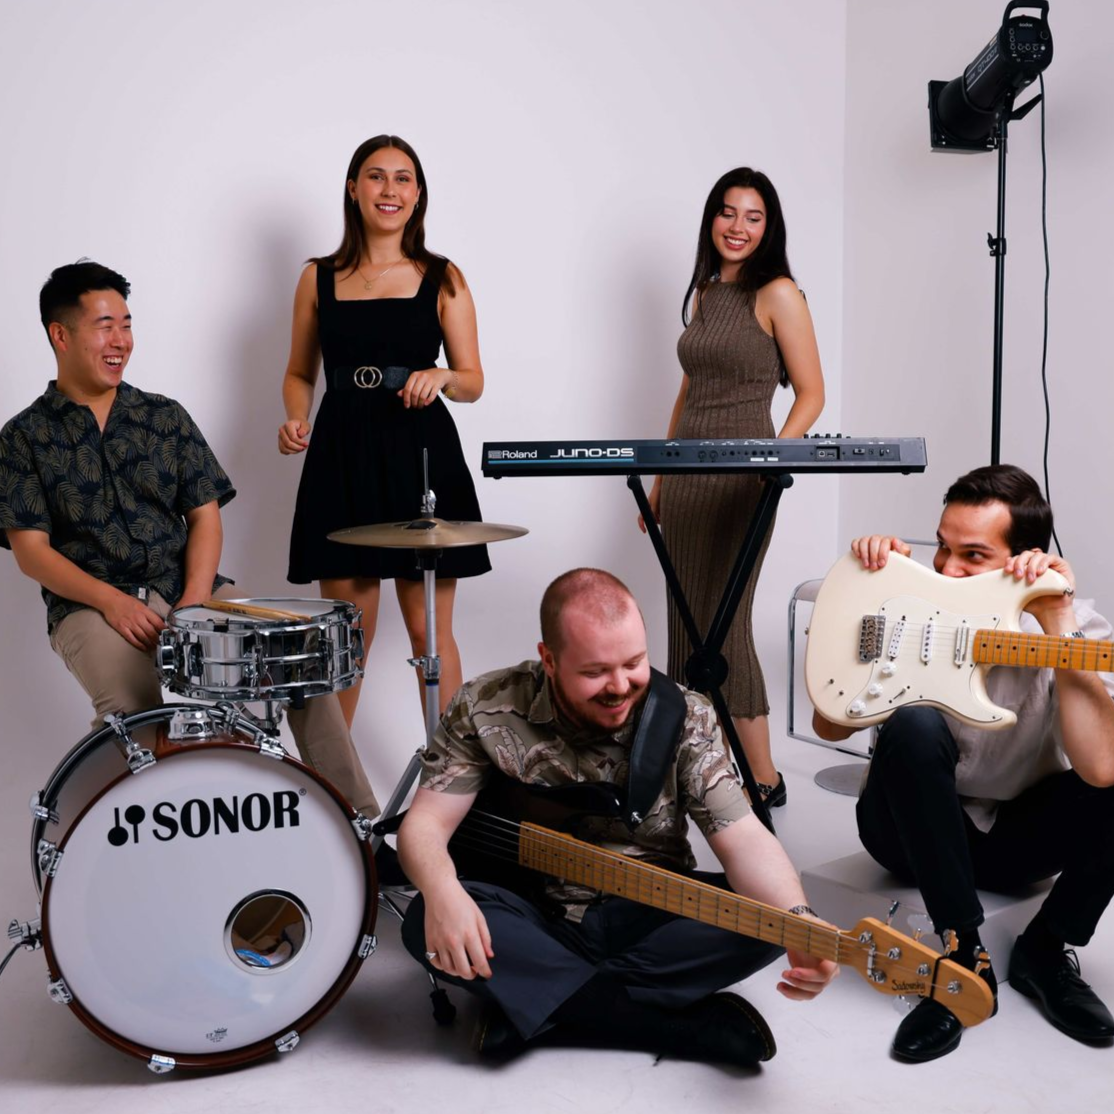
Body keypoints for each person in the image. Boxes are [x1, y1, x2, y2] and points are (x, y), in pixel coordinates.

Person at [397, 568, 837, 1067]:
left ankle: (543, 1004)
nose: (620, 686)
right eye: (595, 672)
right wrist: (444, 894)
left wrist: (800, 924)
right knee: (422, 921)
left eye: (634, 663)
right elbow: (424, 824)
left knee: (772, 917)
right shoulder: (484, 706)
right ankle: (678, 1029)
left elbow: (744, 839)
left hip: (651, 910)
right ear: (548, 659)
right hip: (537, 913)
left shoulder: (687, 716)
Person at [0, 261, 378, 816]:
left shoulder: (165, 416)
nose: (121, 341)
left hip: (191, 587)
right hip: (90, 605)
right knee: (131, 707)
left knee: (300, 665)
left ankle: (362, 827)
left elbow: (205, 517)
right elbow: (32, 553)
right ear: (61, 335)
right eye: (105, 326)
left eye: (127, 324)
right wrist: (113, 603)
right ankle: (125, 840)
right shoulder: (22, 437)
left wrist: (196, 601)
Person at [813, 465, 1114, 1062]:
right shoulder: (908, 608)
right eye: (943, 547)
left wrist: (1057, 622)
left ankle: (1044, 950)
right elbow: (830, 726)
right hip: (903, 834)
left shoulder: (1078, 626)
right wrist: (868, 588)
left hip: (1016, 845)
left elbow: (1101, 770)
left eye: (973, 555)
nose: (948, 569)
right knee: (914, 725)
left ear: (1024, 561)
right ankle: (961, 958)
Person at [279, 134, 489, 728]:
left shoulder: (442, 276)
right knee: (346, 637)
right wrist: (295, 415)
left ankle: (452, 770)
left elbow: (473, 381)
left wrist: (442, 376)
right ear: (353, 188)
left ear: (418, 194)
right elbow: (299, 373)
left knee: (428, 632)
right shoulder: (317, 277)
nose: (389, 189)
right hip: (341, 452)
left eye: (403, 178)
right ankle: (333, 776)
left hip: (420, 453)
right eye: (376, 176)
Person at [639, 168, 824, 808]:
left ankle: (763, 778)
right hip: (687, 479)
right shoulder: (706, 292)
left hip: (744, 478)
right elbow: (687, 395)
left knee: (727, 626)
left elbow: (811, 394)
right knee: (687, 626)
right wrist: (662, 480)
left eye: (753, 216)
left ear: (769, 228)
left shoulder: (778, 293)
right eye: (727, 212)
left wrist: (772, 461)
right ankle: (701, 767)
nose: (737, 226)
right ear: (711, 219)